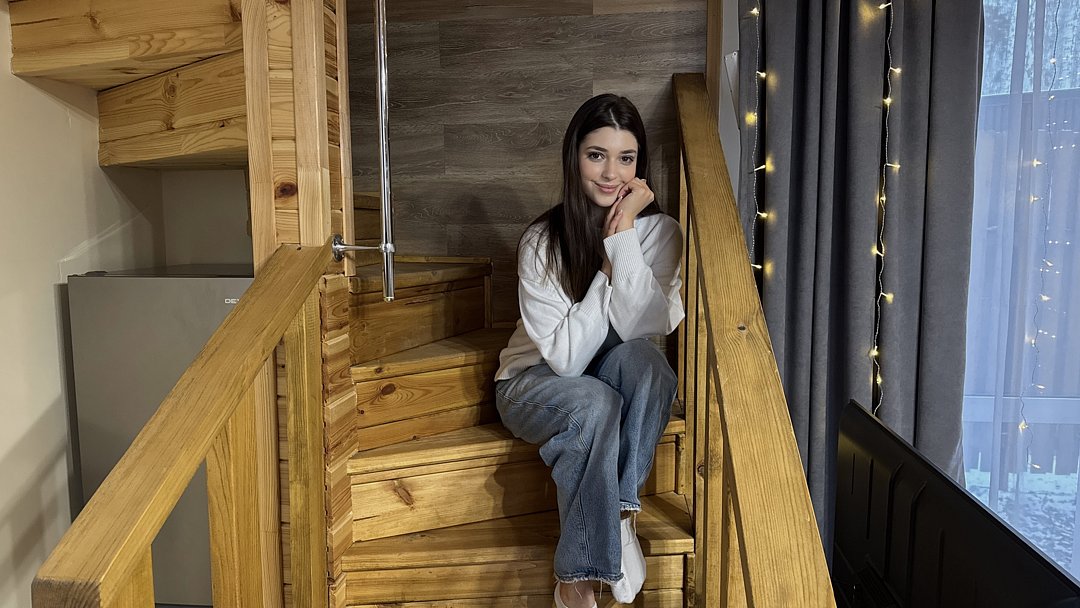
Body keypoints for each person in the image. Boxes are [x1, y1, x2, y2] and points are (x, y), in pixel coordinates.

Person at [493, 93, 685, 608]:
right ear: (574, 157)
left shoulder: (662, 233)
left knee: (649, 366)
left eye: (626, 158)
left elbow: (644, 325)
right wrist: (606, 265)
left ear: (640, 166)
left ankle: (619, 513)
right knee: (595, 402)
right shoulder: (541, 241)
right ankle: (576, 579)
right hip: (532, 382)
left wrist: (623, 237)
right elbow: (567, 361)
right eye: (596, 155)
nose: (611, 174)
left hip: (606, 371)